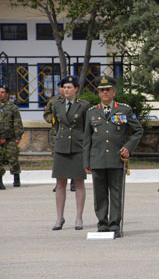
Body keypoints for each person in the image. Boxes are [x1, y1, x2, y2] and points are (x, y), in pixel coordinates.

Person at [83, 76, 143, 237]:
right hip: (97, 158)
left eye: (107, 89)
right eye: (101, 90)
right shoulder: (91, 112)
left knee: (116, 193)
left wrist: (128, 147)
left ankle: (114, 224)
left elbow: (138, 130)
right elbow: (87, 139)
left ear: (114, 92)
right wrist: (86, 161)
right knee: (100, 193)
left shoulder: (124, 110)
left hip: (117, 158)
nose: (104, 92)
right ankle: (102, 223)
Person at [51, 76, 89, 230]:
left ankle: (79, 218)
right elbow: (56, 126)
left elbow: (87, 129)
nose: (65, 90)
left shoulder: (84, 105)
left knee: (79, 182)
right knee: (60, 183)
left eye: (69, 87)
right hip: (61, 146)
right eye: (64, 87)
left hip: (77, 146)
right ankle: (59, 218)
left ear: (76, 89)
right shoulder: (57, 105)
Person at [43, 80, 75, 192]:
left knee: (73, 157)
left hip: (71, 134)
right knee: (58, 159)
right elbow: (46, 113)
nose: (63, 89)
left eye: (66, 87)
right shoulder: (53, 101)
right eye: (61, 87)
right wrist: (53, 121)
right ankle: (59, 183)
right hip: (57, 133)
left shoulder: (74, 101)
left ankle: (73, 182)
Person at [0, 86, 24, 190]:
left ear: (7, 94)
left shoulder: (12, 107)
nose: (0, 94)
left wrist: (18, 137)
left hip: (10, 137)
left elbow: (17, 123)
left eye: (2, 92)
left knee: (13, 158)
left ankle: (16, 177)